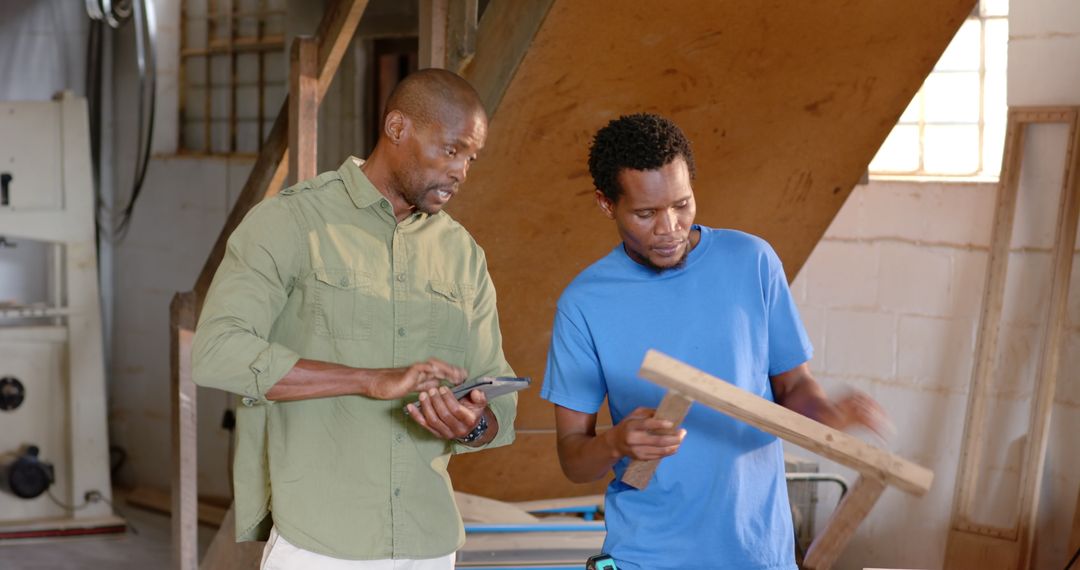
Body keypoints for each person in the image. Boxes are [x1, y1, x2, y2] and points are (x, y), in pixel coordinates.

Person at [192, 68, 517, 570]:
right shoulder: (291, 223)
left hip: (428, 542)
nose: (461, 172)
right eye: (450, 150)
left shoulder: (463, 254)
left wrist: (471, 424)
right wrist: (370, 380)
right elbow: (217, 352)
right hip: (318, 541)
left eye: (471, 158)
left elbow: (497, 412)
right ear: (396, 128)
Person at [540, 113, 886, 570]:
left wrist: (828, 417)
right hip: (647, 555)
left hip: (756, 551)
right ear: (607, 204)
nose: (669, 228)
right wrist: (616, 444)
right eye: (646, 214)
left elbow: (794, 388)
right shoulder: (584, 304)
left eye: (681, 204)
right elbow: (573, 459)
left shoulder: (752, 262)